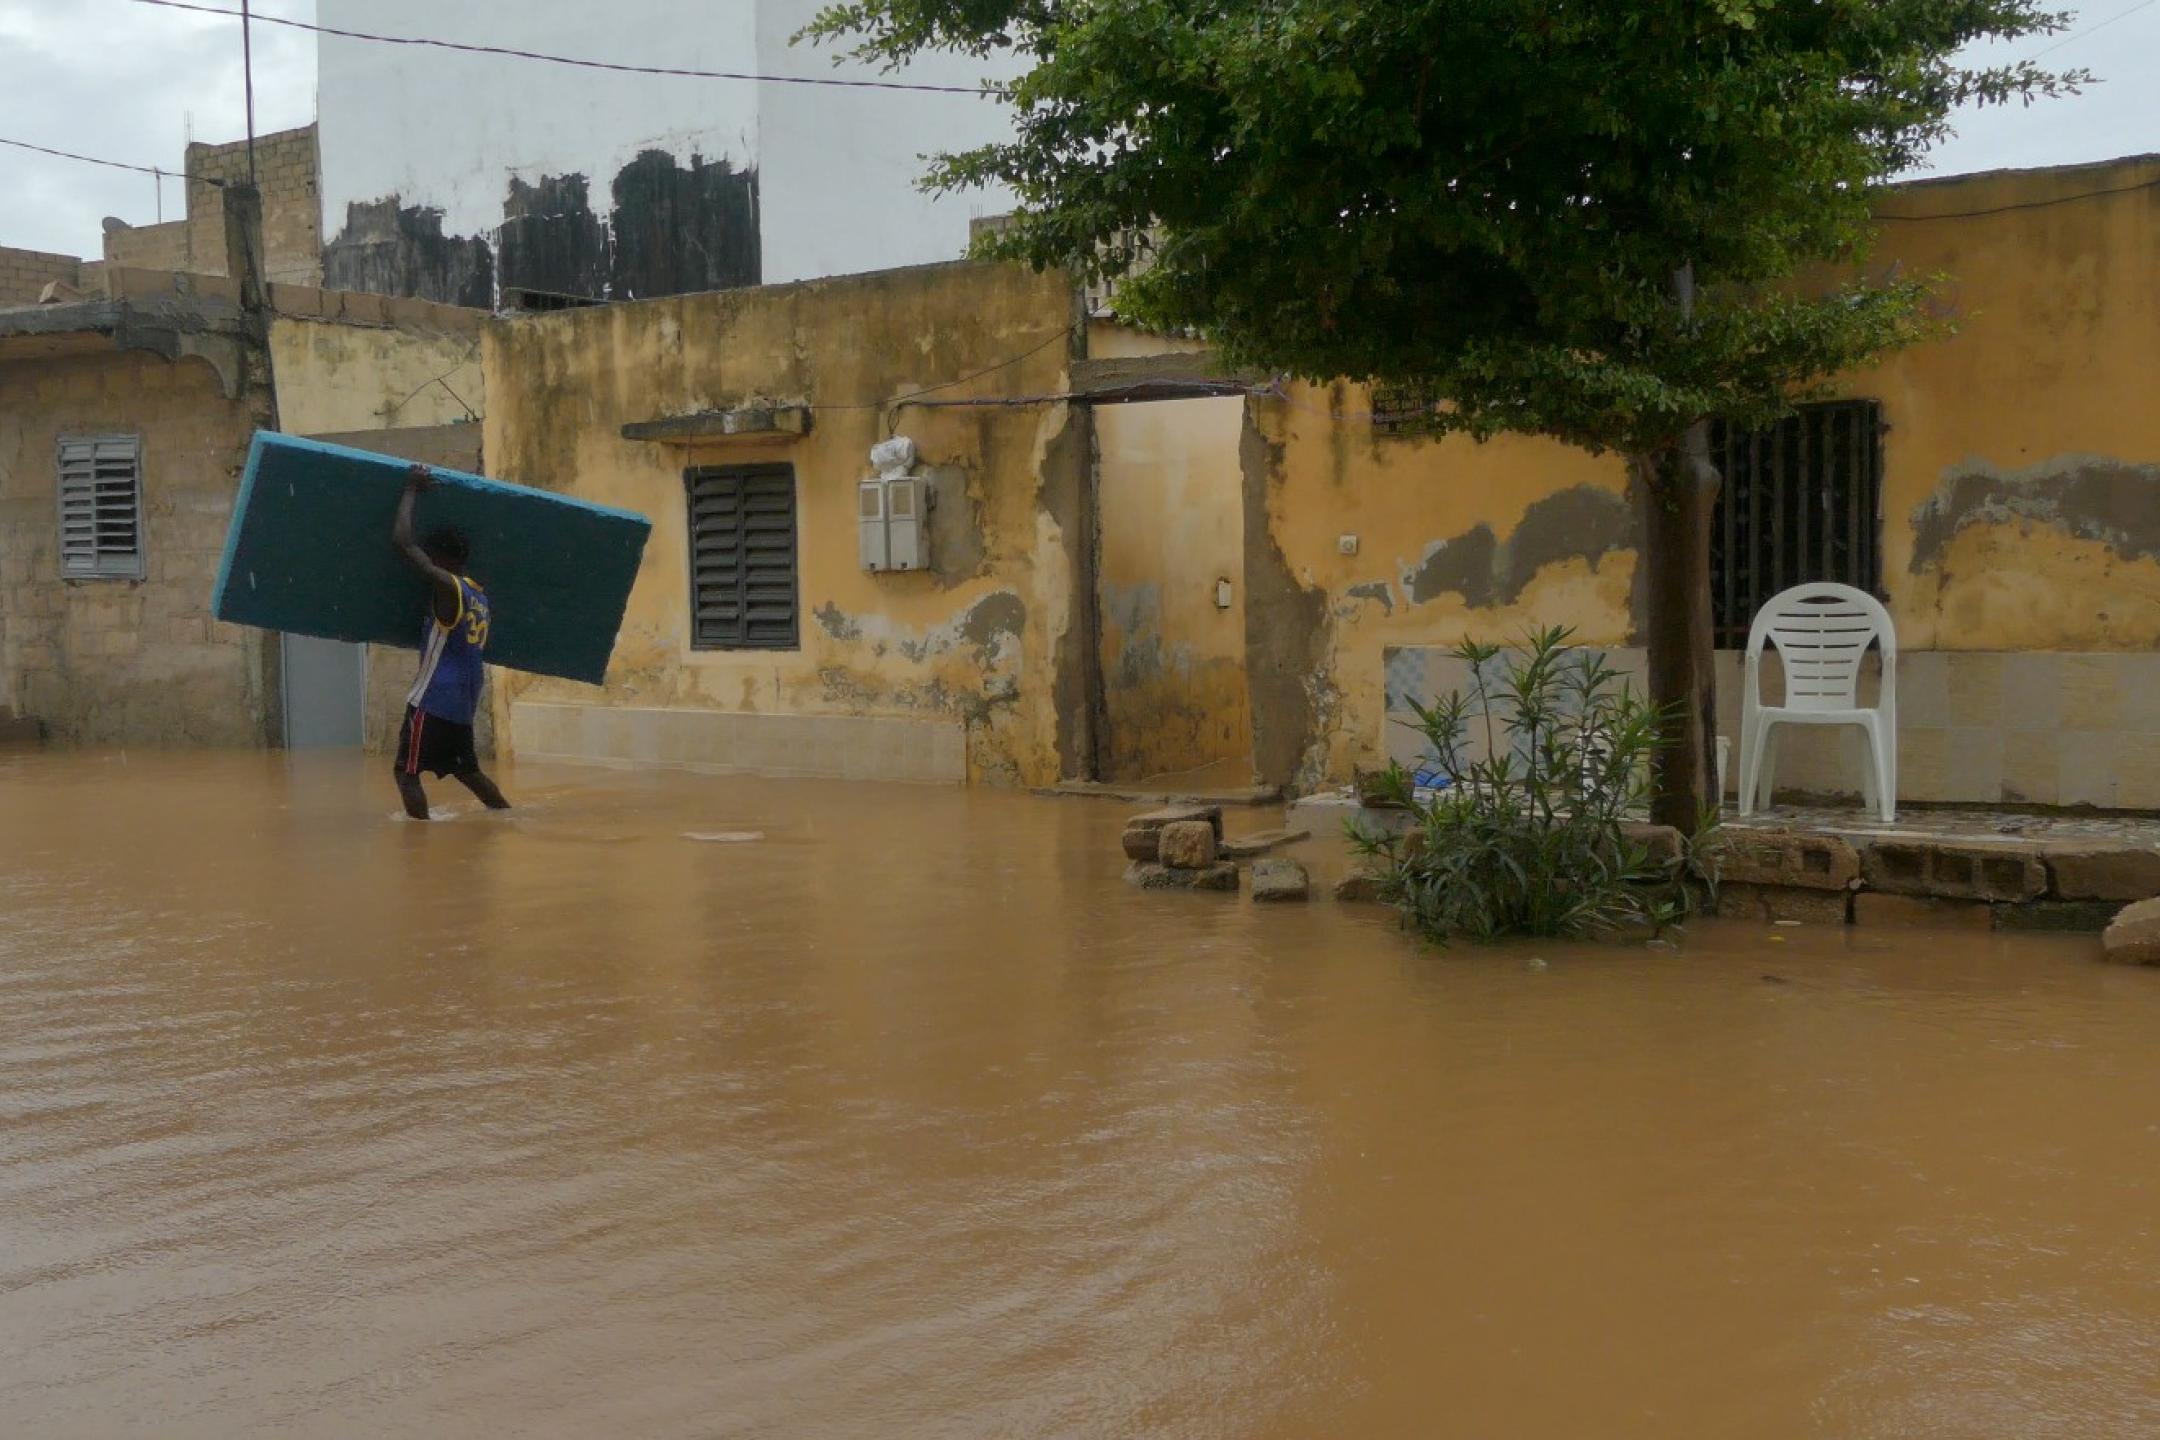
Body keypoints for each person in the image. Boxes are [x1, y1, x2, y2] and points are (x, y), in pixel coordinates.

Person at [391, 463, 510, 819]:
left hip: (431, 702)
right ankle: (506, 816)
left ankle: (419, 842)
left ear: (443, 560)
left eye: (432, 554)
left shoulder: (449, 588)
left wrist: (411, 489)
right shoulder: (480, 597)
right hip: (462, 707)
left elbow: (401, 542)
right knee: (468, 771)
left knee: (406, 772)